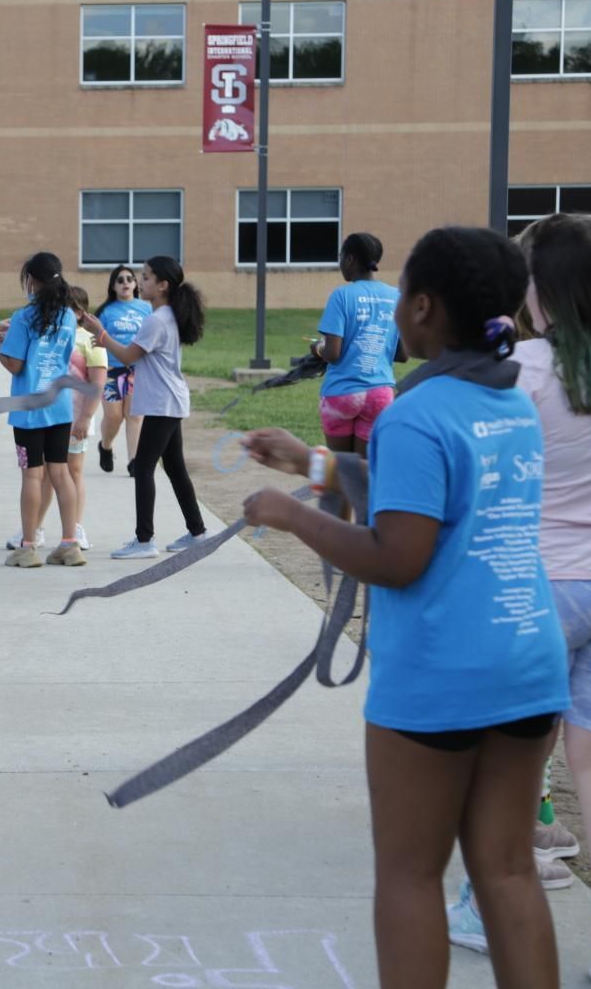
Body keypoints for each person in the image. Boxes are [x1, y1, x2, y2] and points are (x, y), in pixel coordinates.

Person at [240, 226, 570, 989]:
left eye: (399, 301)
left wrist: (292, 515)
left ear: (423, 308)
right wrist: (314, 462)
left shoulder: (416, 413)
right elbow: (437, 497)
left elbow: (399, 555)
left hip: (441, 671)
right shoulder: (508, 400)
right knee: (509, 871)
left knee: (411, 874)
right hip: (525, 660)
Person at [439, 214, 591, 989]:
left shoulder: (524, 372)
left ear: (541, 291)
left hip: (537, 589)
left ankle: (485, 901)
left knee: (510, 764)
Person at [81, 256, 206, 559]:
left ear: (162, 285)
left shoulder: (157, 319)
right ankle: (198, 531)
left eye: (147, 277)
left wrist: (101, 334)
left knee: (144, 467)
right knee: (174, 467)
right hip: (169, 401)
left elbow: (127, 357)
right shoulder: (164, 316)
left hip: (163, 403)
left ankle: (144, 540)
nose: (141, 281)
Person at [0, 252, 83, 568]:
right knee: (61, 472)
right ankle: (70, 543)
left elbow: (15, 365)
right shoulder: (69, 317)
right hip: (58, 406)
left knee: (32, 474)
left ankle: (28, 546)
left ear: (32, 280)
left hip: (29, 409)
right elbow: (64, 357)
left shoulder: (23, 317)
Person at [23, 285, 106, 551]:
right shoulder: (52, 335)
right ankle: (33, 527)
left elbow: (98, 383)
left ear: (80, 313)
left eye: (66, 308)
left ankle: (75, 528)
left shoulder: (88, 340)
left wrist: (85, 418)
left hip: (78, 416)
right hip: (50, 415)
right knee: (46, 472)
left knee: (73, 471)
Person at [312, 233, 407, 455]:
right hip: (380, 394)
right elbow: (402, 355)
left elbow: (332, 353)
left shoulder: (341, 296)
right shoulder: (396, 296)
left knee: (342, 470)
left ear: (350, 259)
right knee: (363, 472)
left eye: (341, 257)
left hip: (341, 394)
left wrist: (318, 348)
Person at [93, 264, 150, 474]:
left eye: (129, 279)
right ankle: (105, 446)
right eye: (120, 280)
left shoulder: (147, 309)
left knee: (134, 415)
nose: (125, 283)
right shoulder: (106, 312)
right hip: (111, 370)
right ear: (113, 286)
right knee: (114, 417)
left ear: (135, 284)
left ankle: (134, 461)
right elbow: (96, 340)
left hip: (138, 370)